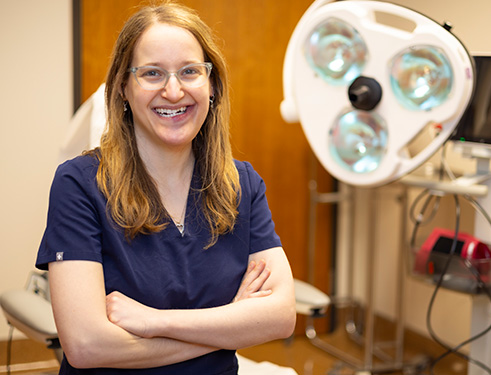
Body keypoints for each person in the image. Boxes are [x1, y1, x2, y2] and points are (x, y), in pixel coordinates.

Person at [35, 2, 296, 374]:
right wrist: (231, 324)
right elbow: (86, 345)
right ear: (123, 87)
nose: (173, 91)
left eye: (190, 71)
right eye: (152, 73)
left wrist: (155, 322)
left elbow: (281, 317)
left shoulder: (242, 185)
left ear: (212, 86)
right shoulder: (80, 184)